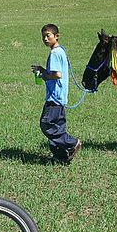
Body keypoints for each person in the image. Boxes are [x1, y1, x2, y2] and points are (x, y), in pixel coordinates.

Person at [31, 24, 82, 164]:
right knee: (58, 126)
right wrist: (43, 69)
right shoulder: (60, 51)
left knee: (47, 124)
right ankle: (61, 156)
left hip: (54, 97)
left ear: (56, 36)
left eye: (48, 35)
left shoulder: (54, 53)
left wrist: (45, 75)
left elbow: (57, 74)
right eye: (43, 36)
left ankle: (72, 143)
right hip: (61, 96)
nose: (45, 39)